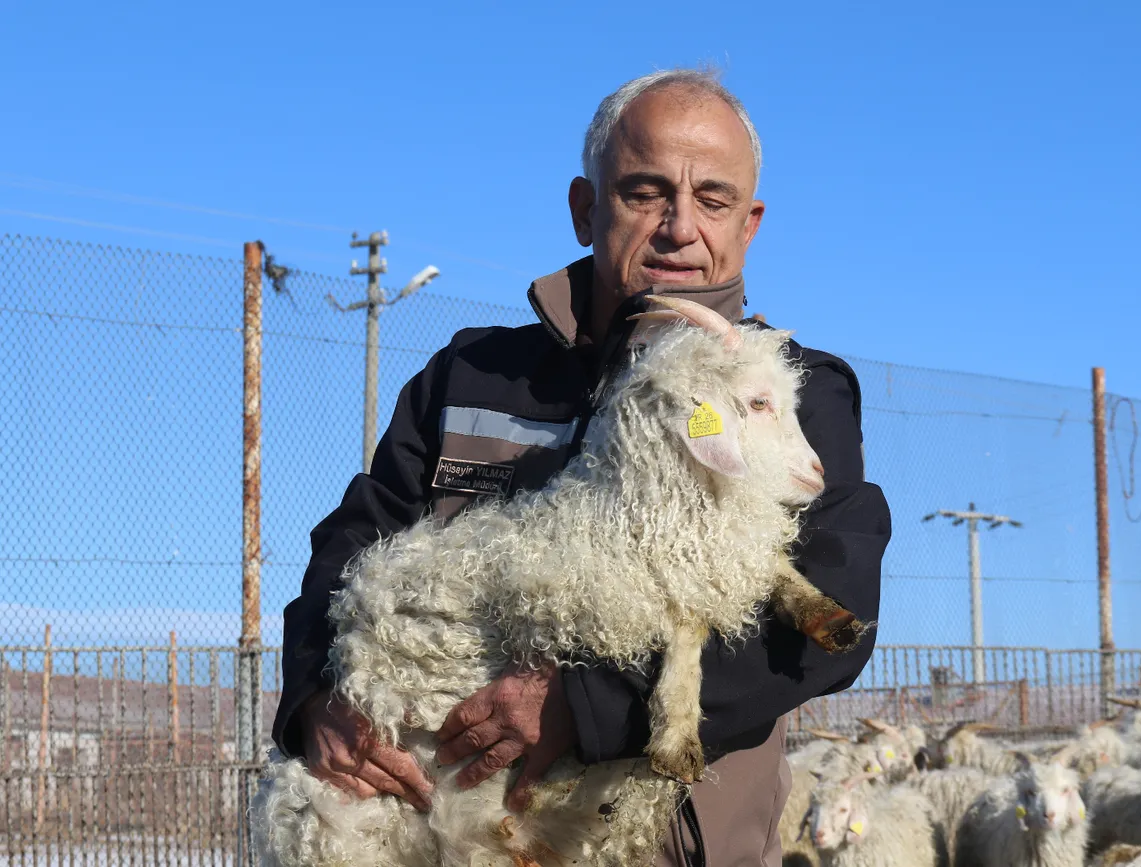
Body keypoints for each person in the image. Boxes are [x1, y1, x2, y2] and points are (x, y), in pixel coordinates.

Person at [272, 68, 891, 866]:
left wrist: (588, 706)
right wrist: (315, 699)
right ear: (584, 208)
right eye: (643, 192)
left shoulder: (795, 395)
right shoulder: (473, 375)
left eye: (712, 199)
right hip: (443, 835)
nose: (678, 226)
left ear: (749, 224)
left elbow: (828, 618)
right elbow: (353, 542)